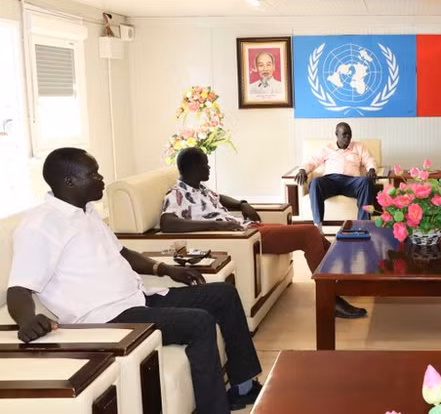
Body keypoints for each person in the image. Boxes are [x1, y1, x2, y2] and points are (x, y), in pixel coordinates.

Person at [6, 147, 261, 414]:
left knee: (223, 293)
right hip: (108, 318)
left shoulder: (87, 212)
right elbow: (19, 288)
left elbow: (122, 252)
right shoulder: (40, 225)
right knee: (199, 322)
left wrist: (164, 269)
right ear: (69, 181)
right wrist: (26, 321)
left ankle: (243, 387)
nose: (102, 178)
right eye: (93, 174)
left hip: (140, 298)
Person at [160, 147, 367, 319]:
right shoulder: (178, 193)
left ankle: (340, 283)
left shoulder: (199, 188)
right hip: (242, 239)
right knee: (309, 234)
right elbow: (167, 223)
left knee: (316, 237)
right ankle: (330, 300)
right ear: (194, 167)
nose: (209, 167)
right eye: (205, 164)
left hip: (249, 229)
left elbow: (220, 198)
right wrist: (216, 226)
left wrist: (242, 204)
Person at [294, 122, 378, 228]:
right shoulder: (327, 148)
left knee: (366, 181)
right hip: (331, 181)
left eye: (350, 134)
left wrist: (371, 169)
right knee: (315, 182)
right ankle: (318, 226)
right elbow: (312, 161)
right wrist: (303, 170)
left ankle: (363, 225)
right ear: (336, 134)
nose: (347, 137)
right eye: (344, 134)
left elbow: (369, 159)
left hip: (352, 182)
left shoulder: (359, 147)